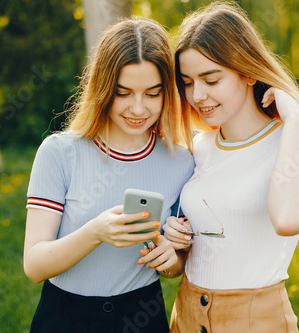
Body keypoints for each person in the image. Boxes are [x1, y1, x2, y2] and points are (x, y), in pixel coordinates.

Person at [162, 2, 299, 332]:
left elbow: (287, 220)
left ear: (248, 72)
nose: (197, 95)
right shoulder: (197, 148)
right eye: (187, 82)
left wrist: (295, 118)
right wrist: (175, 243)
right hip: (184, 318)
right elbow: (187, 260)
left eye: (211, 80)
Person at [23, 17, 194, 333]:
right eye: (123, 92)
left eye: (153, 93)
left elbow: (178, 263)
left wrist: (171, 260)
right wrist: (96, 232)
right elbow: (34, 266)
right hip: (65, 317)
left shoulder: (182, 162)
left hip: (143, 314)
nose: (139, 108)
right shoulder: (59, 152)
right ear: (102, 88)